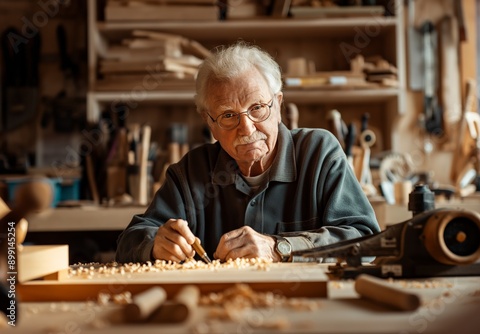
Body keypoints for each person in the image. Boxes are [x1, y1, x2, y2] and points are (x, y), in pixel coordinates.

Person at [115, 41, 380, 263]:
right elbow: (131, 239)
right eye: (228, 115)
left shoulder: (319, 153)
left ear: (277, 105)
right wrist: (155, 244)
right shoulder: (191, 172)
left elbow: (366, 241)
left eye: (257, 107)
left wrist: (279, 248)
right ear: (210, 123)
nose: (246, 127)